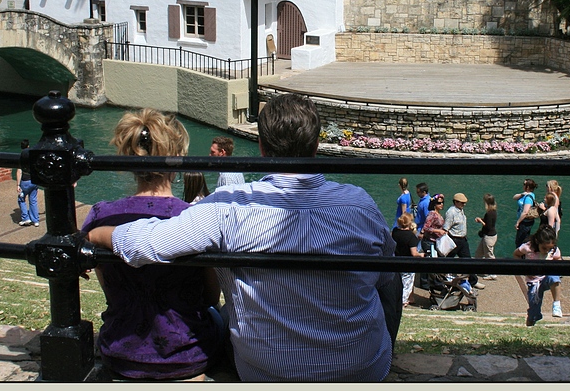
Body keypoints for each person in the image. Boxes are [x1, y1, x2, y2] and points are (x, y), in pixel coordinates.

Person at [87, 93, 400, 382]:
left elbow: (144, 244)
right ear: (315, 145)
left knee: (225, 314)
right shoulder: (361, 205)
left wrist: (94, 233)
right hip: (364, 369)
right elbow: (388, 280)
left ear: (262, 148)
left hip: (267, 373)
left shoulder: (229, 205)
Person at [81, 108, 221, 380]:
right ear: (178, 158)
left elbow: (111, 291)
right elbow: (210, 297)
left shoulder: (100, 216)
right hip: (187, 354)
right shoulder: (196, 217)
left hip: (120, 349)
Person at [513, 225, 562, 327]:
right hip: (533, 280)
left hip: (546, 277)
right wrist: (524, 269)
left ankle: (556, 304)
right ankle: (533, 318)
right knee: (533, 307)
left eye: (549, 248)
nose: (546, 251)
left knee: (554, 277)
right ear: (537, 242)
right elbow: (516, 254)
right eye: (544, 248)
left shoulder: (554, 250)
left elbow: (558, 259)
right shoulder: (528, 247)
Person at [443, 192, 478, 291]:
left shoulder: (460, 210)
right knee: (448, 261)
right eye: (462, 203)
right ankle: (446, 280)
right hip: (454, 240)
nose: (464, 204)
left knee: (468, 260)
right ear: (456, 202)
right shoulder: (451, 212)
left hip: (462, 240)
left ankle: (472, 280)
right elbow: (446, 228)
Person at [392, 212, 424, 307]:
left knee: (397, 283)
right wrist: (421, 255)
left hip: (396, 262)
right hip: (407, 263)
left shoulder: (395, 232)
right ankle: (403, 301)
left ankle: (397, 299)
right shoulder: (411, 236)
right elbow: (414, 253)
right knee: (407, 284)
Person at [16, 140, 39, 227]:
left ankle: (26, 218)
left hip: (25, 182)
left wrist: (18, 184)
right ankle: (35, 220)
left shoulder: (21, 156)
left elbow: (19, 171)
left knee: (21, 199)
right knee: (33, 200)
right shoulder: (32, 156)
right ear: (28, 146)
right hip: (33, 181)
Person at [474, 193, 497, 280]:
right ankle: (476, 269)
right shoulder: (493, 212)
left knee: (489, 255)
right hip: (488, 236)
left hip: (489, 237)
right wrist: (482, 220)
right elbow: (488, 222)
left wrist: (480, 221)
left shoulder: (489, 213)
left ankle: (493, 273)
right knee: (478, 253)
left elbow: (488, 226)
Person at [514, 178, 538, 248]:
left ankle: (521, 257)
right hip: (523, 221)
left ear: (527, 187)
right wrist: (522, 194)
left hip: (525, 222)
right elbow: (514, 197)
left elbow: (525, 212)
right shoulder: (525, 195)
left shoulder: (528, 198)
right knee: (521, 240)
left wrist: (518, 222)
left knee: (520, 241)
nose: (523, 185)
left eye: (524, 184)